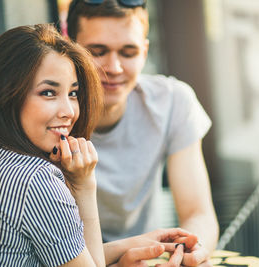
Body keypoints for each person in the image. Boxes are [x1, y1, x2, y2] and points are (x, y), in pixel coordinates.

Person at [0, 23, 196, 266]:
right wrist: (85, 187)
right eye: (48, 93)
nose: (69, 111)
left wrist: (132, 244)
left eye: (73, 93)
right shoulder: (36, 181)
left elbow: (61, 254)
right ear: (5, 95)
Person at [67, 0, 219, 265]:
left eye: (128, 52)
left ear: (145, 51)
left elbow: (198, 211)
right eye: (98, 51)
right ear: (68, 48)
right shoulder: (48, 117)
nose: (114, 68)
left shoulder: (173, 101)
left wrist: (192, 252)